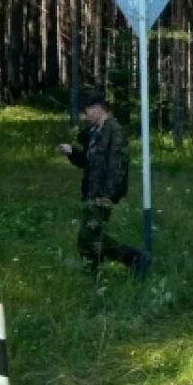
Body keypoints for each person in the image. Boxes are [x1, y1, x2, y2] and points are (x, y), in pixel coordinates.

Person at [58, 91, 149, 277]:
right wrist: (71, 153)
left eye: (89, 110)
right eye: (86, 111)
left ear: (100, 108)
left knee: (88, 236)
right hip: (91, 192)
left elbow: (118, 166)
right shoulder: (93, 133)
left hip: (103, 195)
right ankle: (94, 272)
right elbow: (87, 162)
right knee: (91, 237)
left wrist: (108, 196)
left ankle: (133, 258)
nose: (87, 114)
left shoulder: (114, 131)